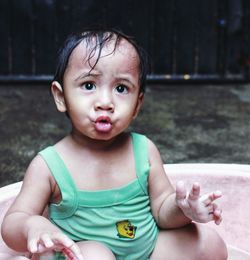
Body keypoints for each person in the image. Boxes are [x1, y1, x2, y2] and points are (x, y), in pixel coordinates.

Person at [1, 28, 227, 260]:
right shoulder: (49, 165)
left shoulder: (144, 150)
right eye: (89, 85)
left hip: (144, 252)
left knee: (209, 244)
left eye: (121, 88)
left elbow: (161, 211)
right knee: (97, 256)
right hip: (81, 256)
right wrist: (33, 226)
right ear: (61, 96)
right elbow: (12, 222)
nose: (105, 102)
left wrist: (184, 209)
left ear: (137, 104)